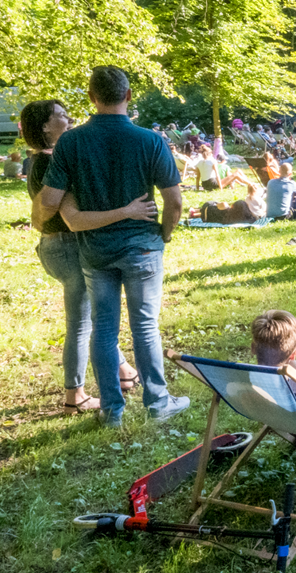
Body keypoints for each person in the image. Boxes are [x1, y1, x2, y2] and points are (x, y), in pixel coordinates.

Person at [37, 66, 188, 427]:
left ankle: (112, 411)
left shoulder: (70, 142)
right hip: (142, 247)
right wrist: (164, 234)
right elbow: (176, 202)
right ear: (129, 96)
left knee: (103, 328)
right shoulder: (149, 140)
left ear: (92, 98)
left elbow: (49, 201)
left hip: (95, 250)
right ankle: (157, 403)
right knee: (145, 326)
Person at [22, 99, 151, 415]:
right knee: (81, 322)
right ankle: (74, 397)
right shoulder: (47, 163)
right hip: (65, 245)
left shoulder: (51, 158)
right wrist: (127, 211)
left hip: (62, 245)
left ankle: (123, 371)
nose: (68, 118)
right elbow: (70, 214)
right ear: (44, 127)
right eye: (60, 115)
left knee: (95, 317)